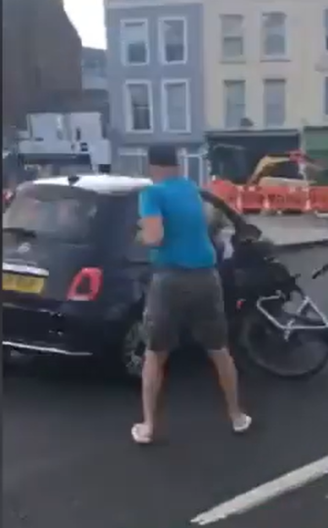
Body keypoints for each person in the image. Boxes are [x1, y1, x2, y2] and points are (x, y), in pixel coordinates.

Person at [132, 145, 251, 444]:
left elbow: (155, 237)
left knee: (155, 354)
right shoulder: (190, 190)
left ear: (153, 167)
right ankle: (237, 416)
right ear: (177, 165)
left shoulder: (151, 194)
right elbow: (207, 223)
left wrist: (141, 235)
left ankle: (148, 427)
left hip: (170, 279)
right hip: (207, 277)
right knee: (219, 350)